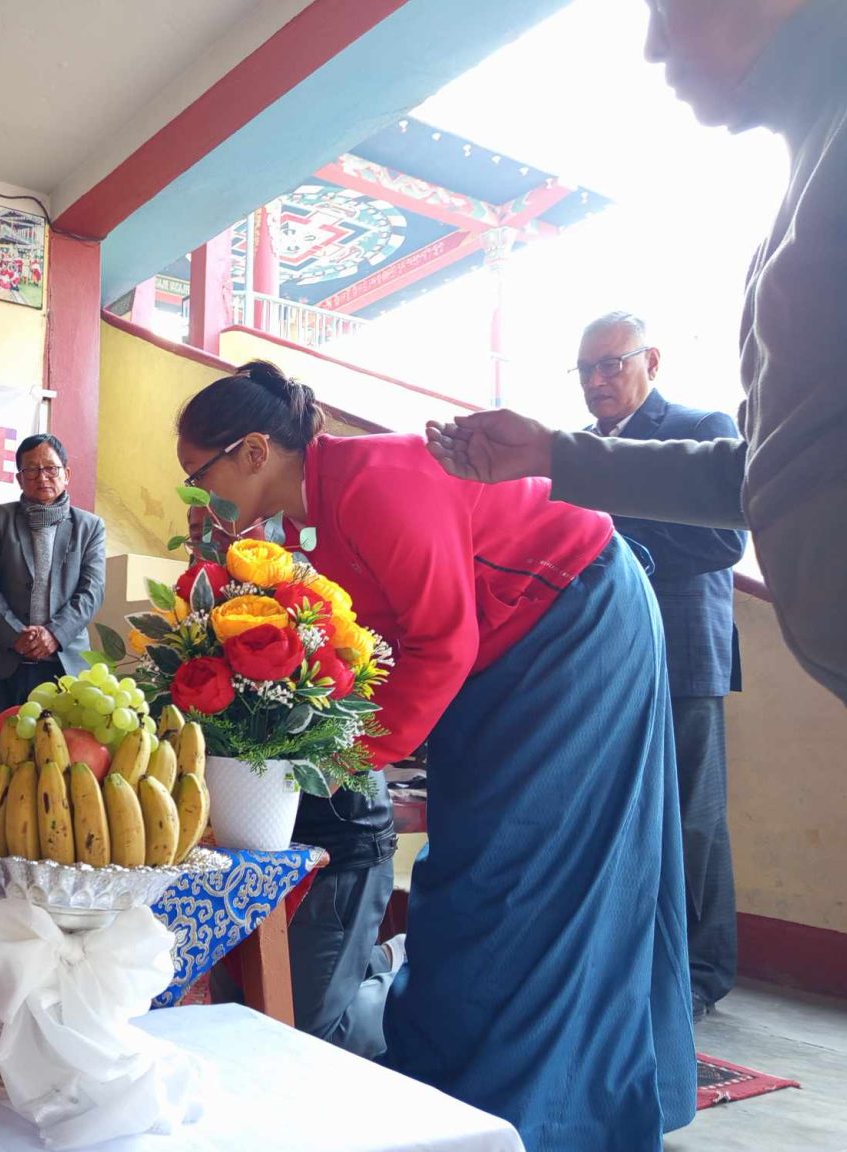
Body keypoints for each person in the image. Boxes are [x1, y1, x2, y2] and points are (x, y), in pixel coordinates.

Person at [176, 361, 695, 1151]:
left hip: (575, 624)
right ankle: (461, 1087)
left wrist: (344, 758)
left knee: (521, 877)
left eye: (199, 474)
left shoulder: (373, 479)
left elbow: (442, 643)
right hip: (510, 654)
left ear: (252, 454)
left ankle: (533, 1110)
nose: (198, 493)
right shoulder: (317, 514)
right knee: (469, 871)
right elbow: (383, 649)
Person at [425, 0, 847, 707]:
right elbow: (764, 477)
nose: (653, 47)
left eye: (665, 7)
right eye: (586, 368)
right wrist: (548, 455)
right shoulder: (817, 152)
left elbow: (733, 523)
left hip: (688, 652)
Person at [573, 312, 746, 1020]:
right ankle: (632, 960)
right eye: (586, 369)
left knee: (693, 815)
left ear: (653, 361)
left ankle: (701, 974)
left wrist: (615, 545)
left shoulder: (701, 429)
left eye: (611, 364)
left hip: (682, 654)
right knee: (619, 813)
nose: (597, 380)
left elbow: (723, 543)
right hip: (602, 659)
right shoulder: (578, 448)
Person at [0, 433, 106, 715]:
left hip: (65, 665)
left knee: (61, 753)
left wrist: (54, 634)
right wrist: (16, 635)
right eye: (31, 469)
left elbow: (91, 592)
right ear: (20, 478)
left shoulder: (90, 527)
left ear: (66, 474)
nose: (42, 477)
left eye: (50, 469)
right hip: (3, 664)